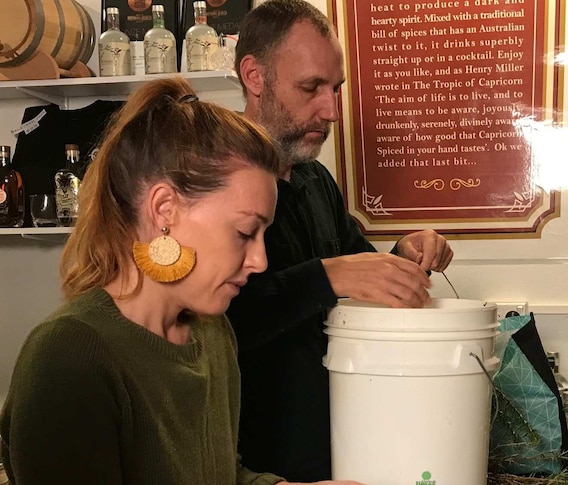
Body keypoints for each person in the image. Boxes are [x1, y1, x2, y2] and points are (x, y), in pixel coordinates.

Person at [0, 77, 360, 485]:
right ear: (164, 209)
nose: (260, 260)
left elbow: (220, 473)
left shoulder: (213, 334)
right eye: (245, 233)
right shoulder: (68, 358)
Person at [227, 0, 455, 481]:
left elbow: (358, 275)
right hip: (254, 460)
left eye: (335, 89)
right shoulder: (212, 180)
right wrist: (328, 276)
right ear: (254, 76)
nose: (331, 110)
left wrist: (403, 256)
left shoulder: (315, 180)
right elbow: (218, 321)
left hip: (339, 440)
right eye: (311, 88)